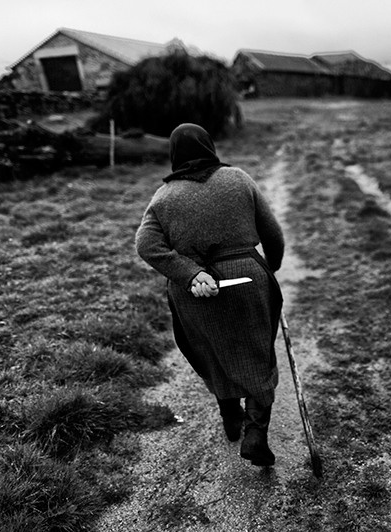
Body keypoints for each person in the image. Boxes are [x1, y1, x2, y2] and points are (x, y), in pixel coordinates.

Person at [135, 123, 284, 467]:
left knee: (211, 349)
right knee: (257, 351)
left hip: (194, 291)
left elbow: (146, 246)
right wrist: (269, 270)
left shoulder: (163, 199)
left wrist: (189, 273)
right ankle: (256, 432)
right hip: (247, 278)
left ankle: (230, 416)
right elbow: (272, 234)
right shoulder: (239, 180)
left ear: (175, 156)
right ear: (209, 146)